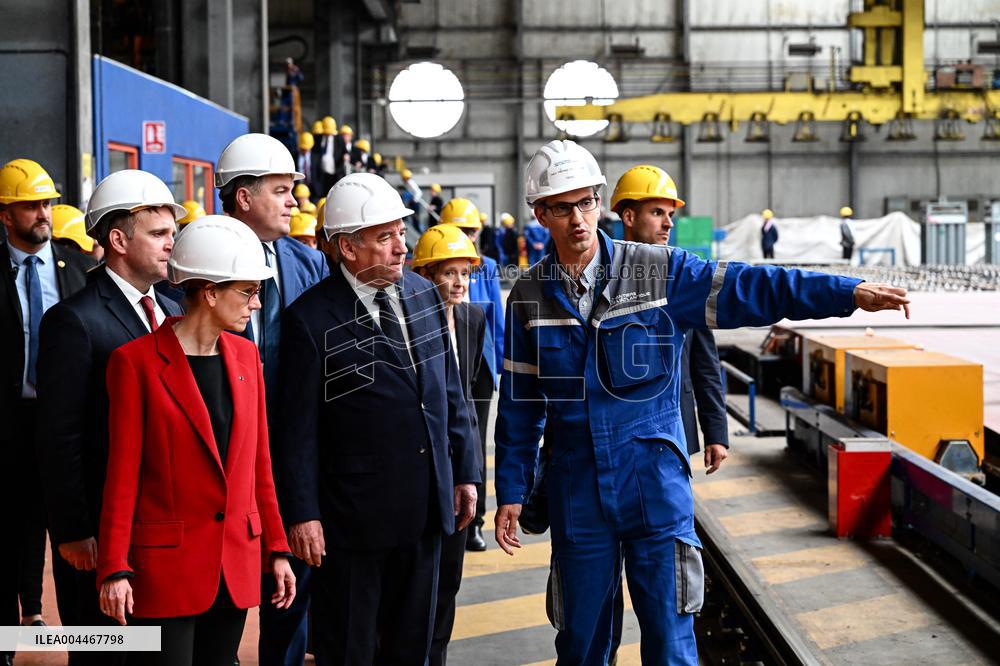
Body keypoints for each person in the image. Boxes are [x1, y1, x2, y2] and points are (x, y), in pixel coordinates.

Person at [494, 139, 910, 665]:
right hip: (577, 491)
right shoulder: (529, 297)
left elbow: (750, 286)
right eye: (561, 207)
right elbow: (520, 404)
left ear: (600, 201)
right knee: (580, 645)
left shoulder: (658, 271)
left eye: (586, 202)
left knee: (670, 645)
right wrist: (510, 488)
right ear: (539, 214)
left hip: (654, 485)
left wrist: (845, 294)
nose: (578, 219)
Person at [273, 173, 479, 665]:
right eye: (384, 237)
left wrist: (466, 472)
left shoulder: (424, 295)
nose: (401, 248)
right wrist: (302, 514)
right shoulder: (310, 319)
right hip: (352, 522)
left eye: (400, 233)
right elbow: (297, 431)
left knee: (413, 647)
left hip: (428, 509)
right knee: (351, 648)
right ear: (347, 247)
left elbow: (450, 393)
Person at [97, 215, 295, 666]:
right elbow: (122, 475)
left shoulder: (247, 357)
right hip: (165, 570)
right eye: (248, 292)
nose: (257, 305)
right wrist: (114, 567)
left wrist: (277, 549)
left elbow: (259, 466)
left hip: (235, 562)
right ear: (209, 292)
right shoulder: (135, 364)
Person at [36, 169, 186, 666]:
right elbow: (60, 437)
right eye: (159, 234)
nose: (171, 244)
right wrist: (74, 530)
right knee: (105, 650)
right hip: (100, 533)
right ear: (118, 240)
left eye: (172, 233)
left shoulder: (168, 311)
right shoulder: (73, 320)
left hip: (160, 529)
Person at [214, 132, 328, 666]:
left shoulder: (306, 265)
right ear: (243, 197)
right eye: (282, 190)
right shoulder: (196, 259)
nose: (294, 202)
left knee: (293, 582)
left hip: (293, 447)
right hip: (223, 451)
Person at [610, 164, 730, 662]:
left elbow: (705, 358)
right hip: (611, 449)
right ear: (627, 216)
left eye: (670, 214)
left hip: (668, 444)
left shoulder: (682, 276)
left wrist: (716, 428)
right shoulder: (603, 279)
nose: (667, 223)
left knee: (668, 579)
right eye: (657, 212)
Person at [0, 160, 95, 665]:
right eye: (31, 205)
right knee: (11, 532)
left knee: (73, 538)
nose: (43, 213)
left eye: (48, 203)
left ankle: (81, 645)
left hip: (66, 425)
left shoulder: (76, 266)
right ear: (5, 214)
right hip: (10, 426)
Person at [411, 224, 486, 665]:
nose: (460, 283)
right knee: (418, 579)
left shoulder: (473, 318)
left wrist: (472, 471)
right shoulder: (408, 320)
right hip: (422, 468)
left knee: (450, 580)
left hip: (459, 464)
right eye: (449, 273)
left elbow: (472, 400)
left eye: (465, 273)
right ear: (424, 275)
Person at [438, 197, 505, 551]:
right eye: (461, 230)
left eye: (471, 230)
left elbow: (496, 320)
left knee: (474, 441)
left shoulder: (487, 267)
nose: (467, 236)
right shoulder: (437, 265)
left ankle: (474, 521)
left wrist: (502, 365)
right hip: (445, 356)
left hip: (479, 365)